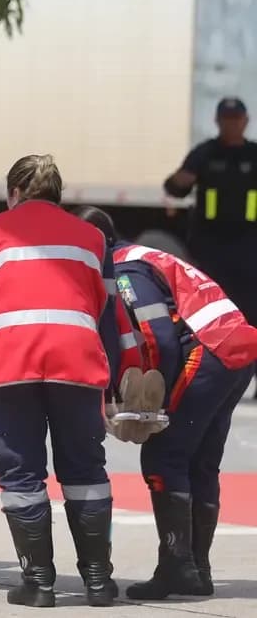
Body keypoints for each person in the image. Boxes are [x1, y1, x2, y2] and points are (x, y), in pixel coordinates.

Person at [0, 155, 130, 608]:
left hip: (12, 364)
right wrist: (115, 381)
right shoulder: (93, 237)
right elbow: (110, 315)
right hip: (77, 363)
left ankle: (39, 583)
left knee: (21, 470)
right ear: (59, 196)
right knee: (85, 468)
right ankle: (98, 581)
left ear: (14, 194)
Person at [74, 205, 257, 601]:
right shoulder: (147, 255)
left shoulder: (124, 269)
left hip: (208, 352)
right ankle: (196, 569)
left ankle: (177, 566)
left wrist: (157, 398)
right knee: (200, 460)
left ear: (95, 243)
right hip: (235, 349)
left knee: (163, 455)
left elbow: (158, 334)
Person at [162, 97, 257, 329]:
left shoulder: (254, 155)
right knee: (212, 302)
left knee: (248, 305)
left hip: (248, 245)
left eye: (236, 119)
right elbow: (174, 188)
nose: (231, 124)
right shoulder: (205, 153)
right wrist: (180, 180)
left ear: (245, 121)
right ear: (217, 121)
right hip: (212, 245)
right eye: (226, 119)